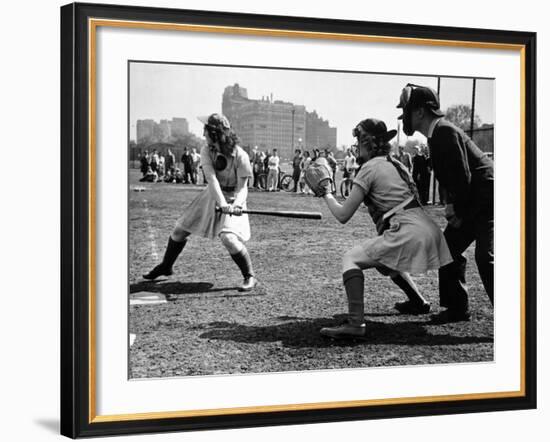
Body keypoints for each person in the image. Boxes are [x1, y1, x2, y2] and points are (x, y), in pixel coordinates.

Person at [306, 118, 452, 339]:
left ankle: (356, 325)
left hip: (408, 228)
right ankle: (418, 301)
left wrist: (326, 192)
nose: (356, 146)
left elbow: (343, 215)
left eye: (358, 140)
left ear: (367, 142)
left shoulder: (368, 168)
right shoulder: (395, 162)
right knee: (384, 261)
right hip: (427, 227)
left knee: (351, 259)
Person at [397, 84, 494, 322]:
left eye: (407, 112)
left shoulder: (444, 132)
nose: (404, 118)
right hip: (473, 198)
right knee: (447, 249)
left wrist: (457, 210)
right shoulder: (436, 134)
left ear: (420, 112)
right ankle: (457, 309)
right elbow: (454, 178)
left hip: (488, 198)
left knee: (486, 256)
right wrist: (453, 205)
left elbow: (463, 178)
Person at [143, 113, 257, 291]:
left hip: (234, 198)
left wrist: (236, 205)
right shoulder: (206, 150)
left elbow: (243, 188)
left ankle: (249, 276)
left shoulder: (241, 156)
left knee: (228, 237)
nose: (203, 135)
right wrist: (222, 203)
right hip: (213, 195)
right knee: (179, 231)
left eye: (206, 131)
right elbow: (211, 180)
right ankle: (166, 266)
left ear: (215, 133)